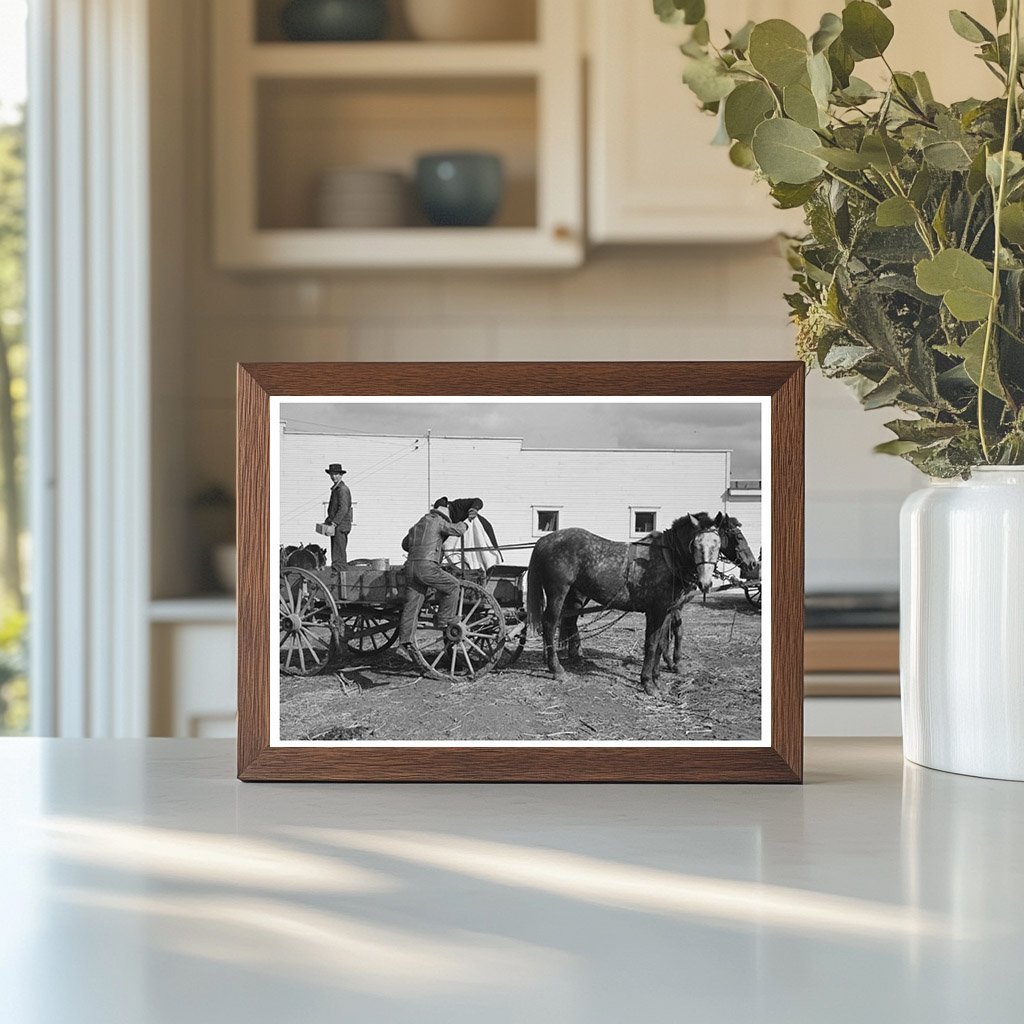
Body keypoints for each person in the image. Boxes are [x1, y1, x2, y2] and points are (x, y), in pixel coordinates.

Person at [395, 500, 478, 662]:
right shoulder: (439, 522)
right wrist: (468, 521)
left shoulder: (416, 526)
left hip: (411, 569)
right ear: (443, 514)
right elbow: (459, 530)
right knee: (453, 585)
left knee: (412, 607)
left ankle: (404, 644)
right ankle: (444, 620)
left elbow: (405, 545)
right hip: (427, 567)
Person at [323, 463, 352, 571]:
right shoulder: (336, 489)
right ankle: (337, 574)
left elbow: (343, 509)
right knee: (337, 552)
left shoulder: (343, 489)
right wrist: (328, 521)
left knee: (339, 554)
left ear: (341, 475)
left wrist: (333, 524)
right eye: (332, 474)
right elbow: (335, 509)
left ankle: (340, 578)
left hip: (340, 526)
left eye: (336, 474)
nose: (333, 477)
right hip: (337, 525)